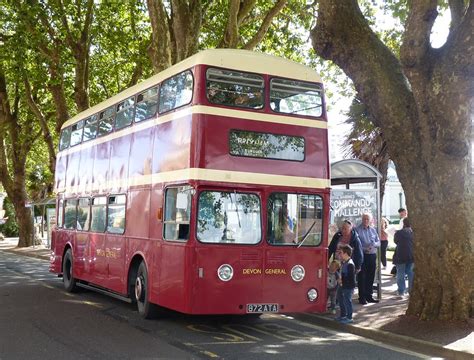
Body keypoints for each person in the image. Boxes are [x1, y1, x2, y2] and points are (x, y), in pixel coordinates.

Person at [355, 213, 380, 304]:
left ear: (370, 220)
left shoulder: (373, 230)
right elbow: (356, 245)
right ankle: (362, 297)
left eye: (367, 219)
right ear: (362, 219)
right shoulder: (357, 230)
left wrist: (374, 245)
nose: (365, 221)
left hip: (372, 255)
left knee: (371, 276)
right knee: (362, 277)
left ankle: (369, 296)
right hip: (362, 256)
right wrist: (365, 249)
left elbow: (378, 242)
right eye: (364, 219)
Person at [393, 217, 414, 298]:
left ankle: (401, 292)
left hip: (400, 255)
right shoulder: (414, 233)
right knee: (411, 274)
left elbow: (396, 241)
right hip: (411, 255)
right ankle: (411, 291)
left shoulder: (399, 233)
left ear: (404, 223)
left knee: (400, 274)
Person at [336, 244, 356, 324]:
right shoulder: (344, 262)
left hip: (347, 286)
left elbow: (350, 277)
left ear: (345, 253)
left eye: (341, 253)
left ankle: (349, 317)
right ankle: (343, 315)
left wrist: (342, 281)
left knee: (347, 300)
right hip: (343, 285)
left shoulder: (350, 264)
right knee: (340, 298)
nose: (339, 254)